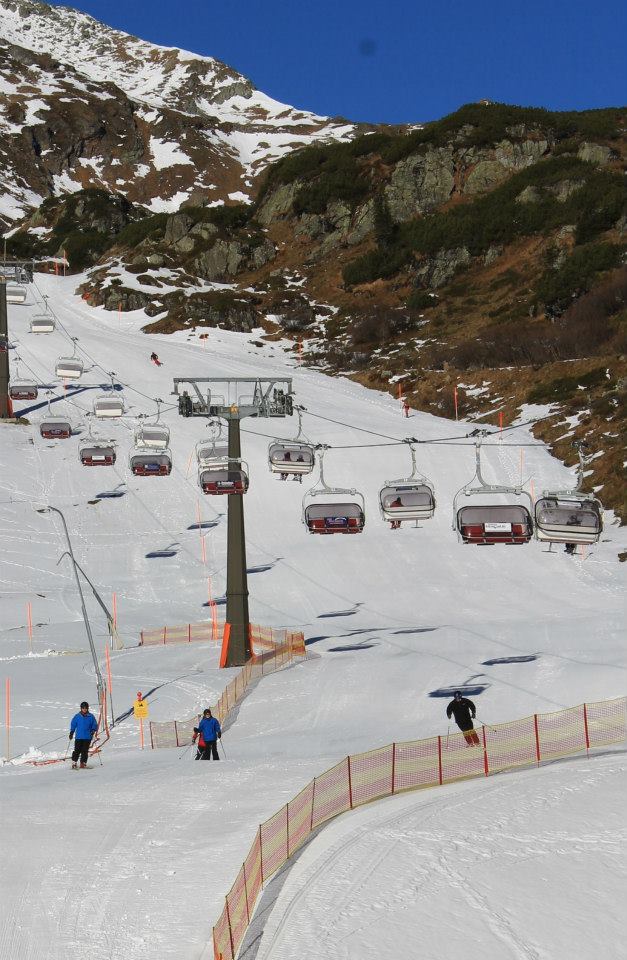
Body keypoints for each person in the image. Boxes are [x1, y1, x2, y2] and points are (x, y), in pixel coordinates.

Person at [68, 701, 98, 768]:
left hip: (87, 737)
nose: (84, 709)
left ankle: (83, 763)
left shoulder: (91, 716)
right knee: (77, 750)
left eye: (86, 708)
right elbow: (73, 724)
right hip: (79, 737)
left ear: (87, 708)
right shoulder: (77, 716)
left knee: (84, 751)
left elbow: (95, 724)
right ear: (81, 708)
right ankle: (74, 762)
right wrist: (71, 732)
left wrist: (93, 730)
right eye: (83, 708)